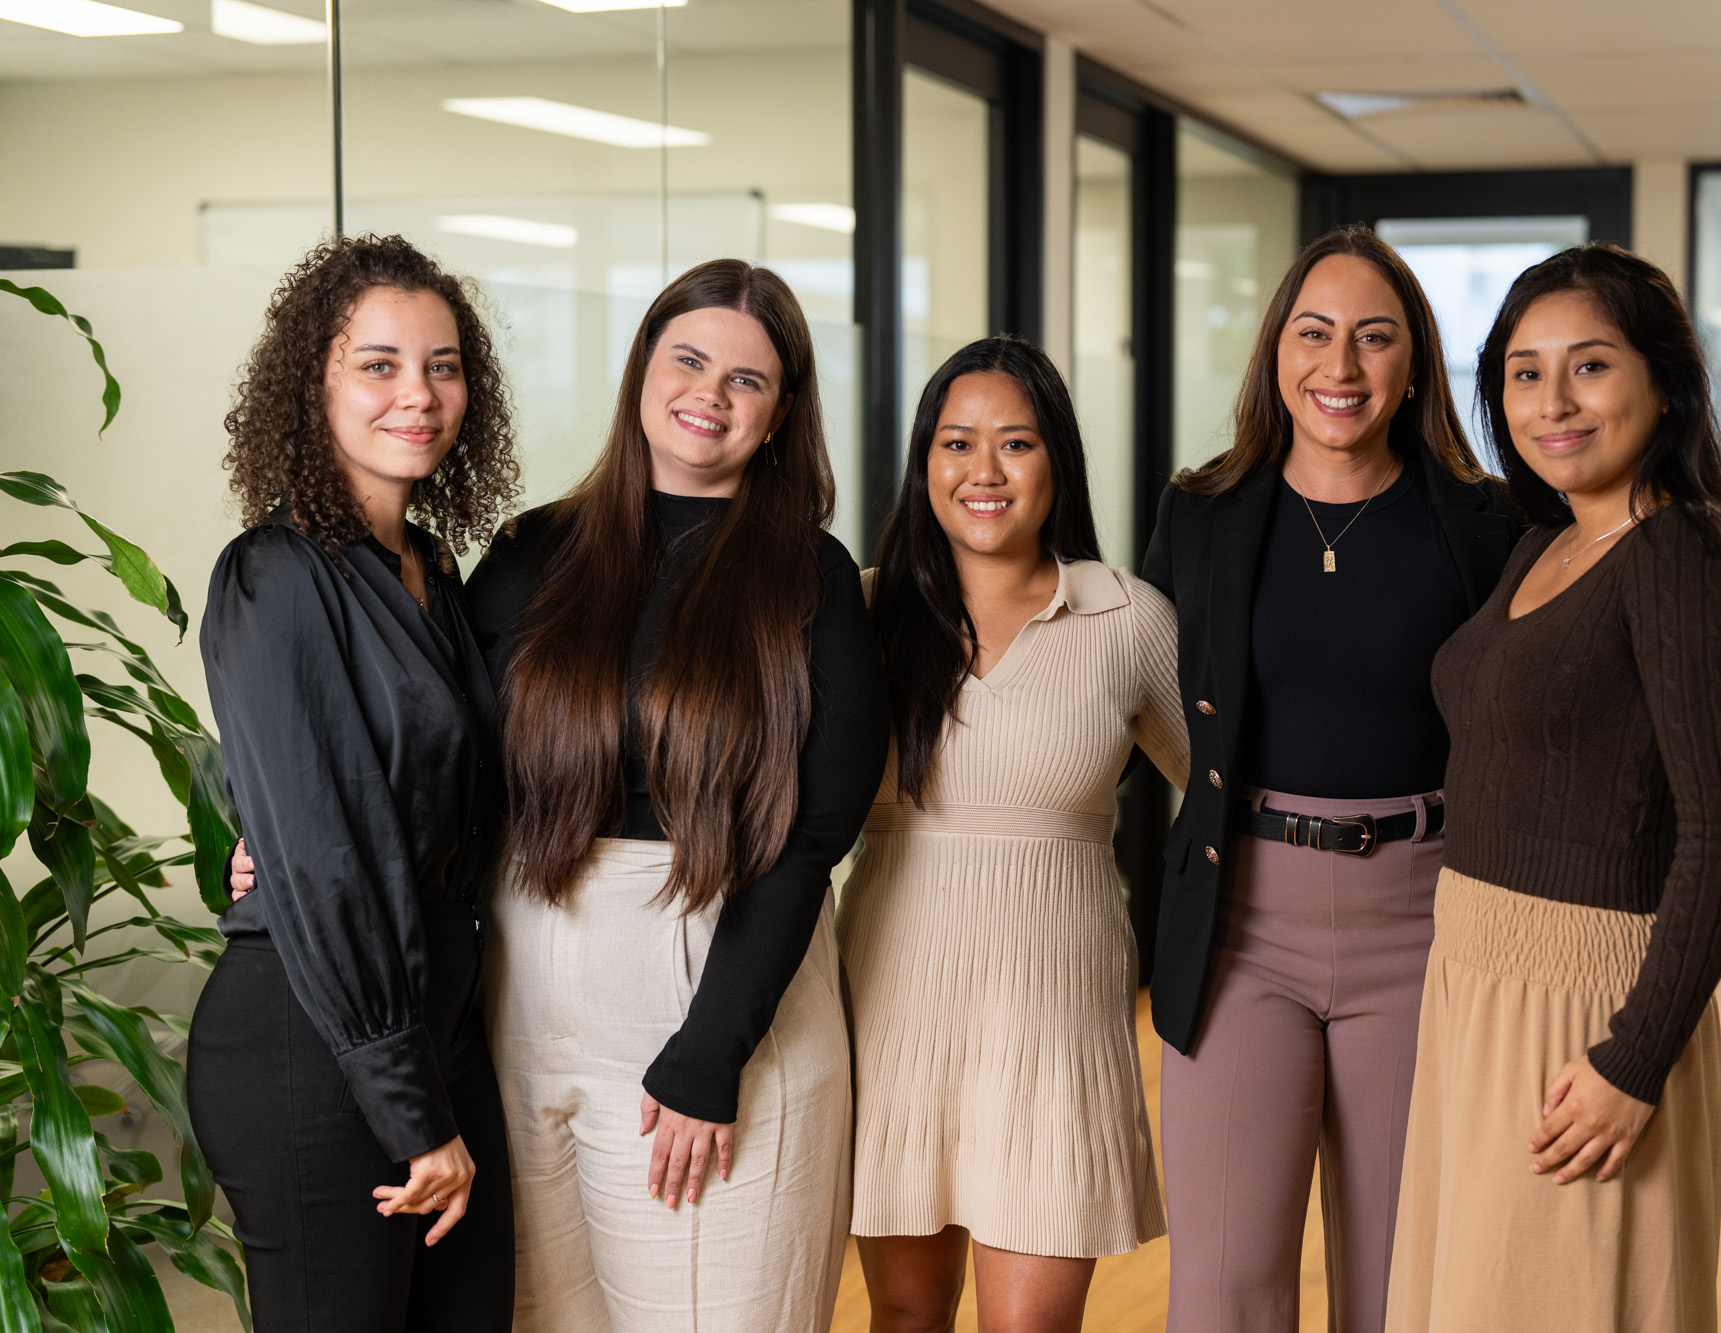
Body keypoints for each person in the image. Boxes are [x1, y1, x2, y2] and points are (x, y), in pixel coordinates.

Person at [469, 258, 888, 1331]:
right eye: (688, 359)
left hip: (715, 1000)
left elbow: (814, 834)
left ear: (782, 412)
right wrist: (275, 843)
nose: (710, 393)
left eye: (747, 379)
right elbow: (439, 752)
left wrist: (711, 1055)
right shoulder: (530, 553)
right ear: (641, 372)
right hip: (525, 1005)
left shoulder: (809, 577)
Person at [1383, 244, 1721, 1333]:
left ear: (1665, 384)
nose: (1550, 401)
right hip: (1471, 983)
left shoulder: (1683, 561)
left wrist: (1632, 1058)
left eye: (1589, 366)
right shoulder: (1542, 548)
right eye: (1522, 371)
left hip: (1581, 1016)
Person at [1140, 224, 1519, 1333]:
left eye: (1372, 338)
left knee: (1398, 1283)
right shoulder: (1199, 513)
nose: (1338, 367)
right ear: (1274, 354)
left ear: (1412, 366)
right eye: (1313, 334)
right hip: (1239, 918)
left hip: (1425, 915)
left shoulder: (1485, 524)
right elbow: (1146, 700)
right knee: (1219, 1291)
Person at [191, 233, 522, 1331]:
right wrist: (409, 1108)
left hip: (434, 1030)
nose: (417, 395)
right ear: (313, 380)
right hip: (316, 1043)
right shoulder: (274, 575)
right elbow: (329, 858)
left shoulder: (431, 570)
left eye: (442, 364)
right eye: (378, 364)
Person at [839, 336, 1189, 1333]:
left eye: (1015, 443)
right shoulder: (860, 614)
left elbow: (1215, 801)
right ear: (923, 463)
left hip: (1055, 1026)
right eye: (956, 443)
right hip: (894, 1007)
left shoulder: (1126, 618)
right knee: (904, 1316)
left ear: (1056, 464)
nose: (981, 471)